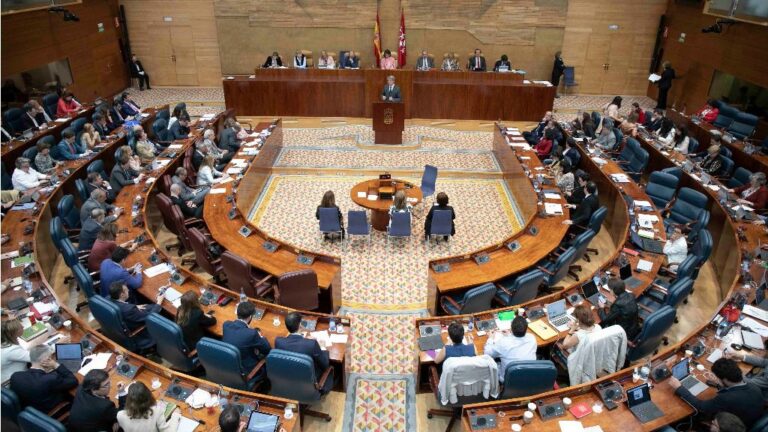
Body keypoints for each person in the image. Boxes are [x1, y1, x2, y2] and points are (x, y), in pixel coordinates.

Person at [668, 358, 764, 428]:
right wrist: (719, 384)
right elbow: (731, 390)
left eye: (717, 377)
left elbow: (701, 407)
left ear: (725, 379)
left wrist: (679, 387)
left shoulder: (726, 398)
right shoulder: (754, 387)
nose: (716, 379)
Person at [275, 312, 333, 393]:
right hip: (308, 381)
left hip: (288, 378)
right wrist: (322, 347)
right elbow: (325, 364)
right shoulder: (311, 344)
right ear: (300, 325)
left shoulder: (278, 341)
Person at [10, 344, 78, 413]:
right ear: (46, 360)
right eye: (50, 358)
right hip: (49, 412)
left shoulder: (15, 376)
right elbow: (73, 380)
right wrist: (55, 365)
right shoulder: (50, 379)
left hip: (28, 410)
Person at [222, 302, 272, 377]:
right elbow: (267, 349)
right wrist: (260, 336)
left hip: (228, 363)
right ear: (250, 317)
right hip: (246, 370)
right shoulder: (252, 334)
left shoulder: (226, 324)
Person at [483, 316, 537, 382]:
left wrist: (490, 338)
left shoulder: (503, 343)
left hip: (508, 379)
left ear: (511, 328)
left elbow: (487, 353)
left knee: (491, 365)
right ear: (526, 329)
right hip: (528, 375)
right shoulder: (532, 338)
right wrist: (509, 335)